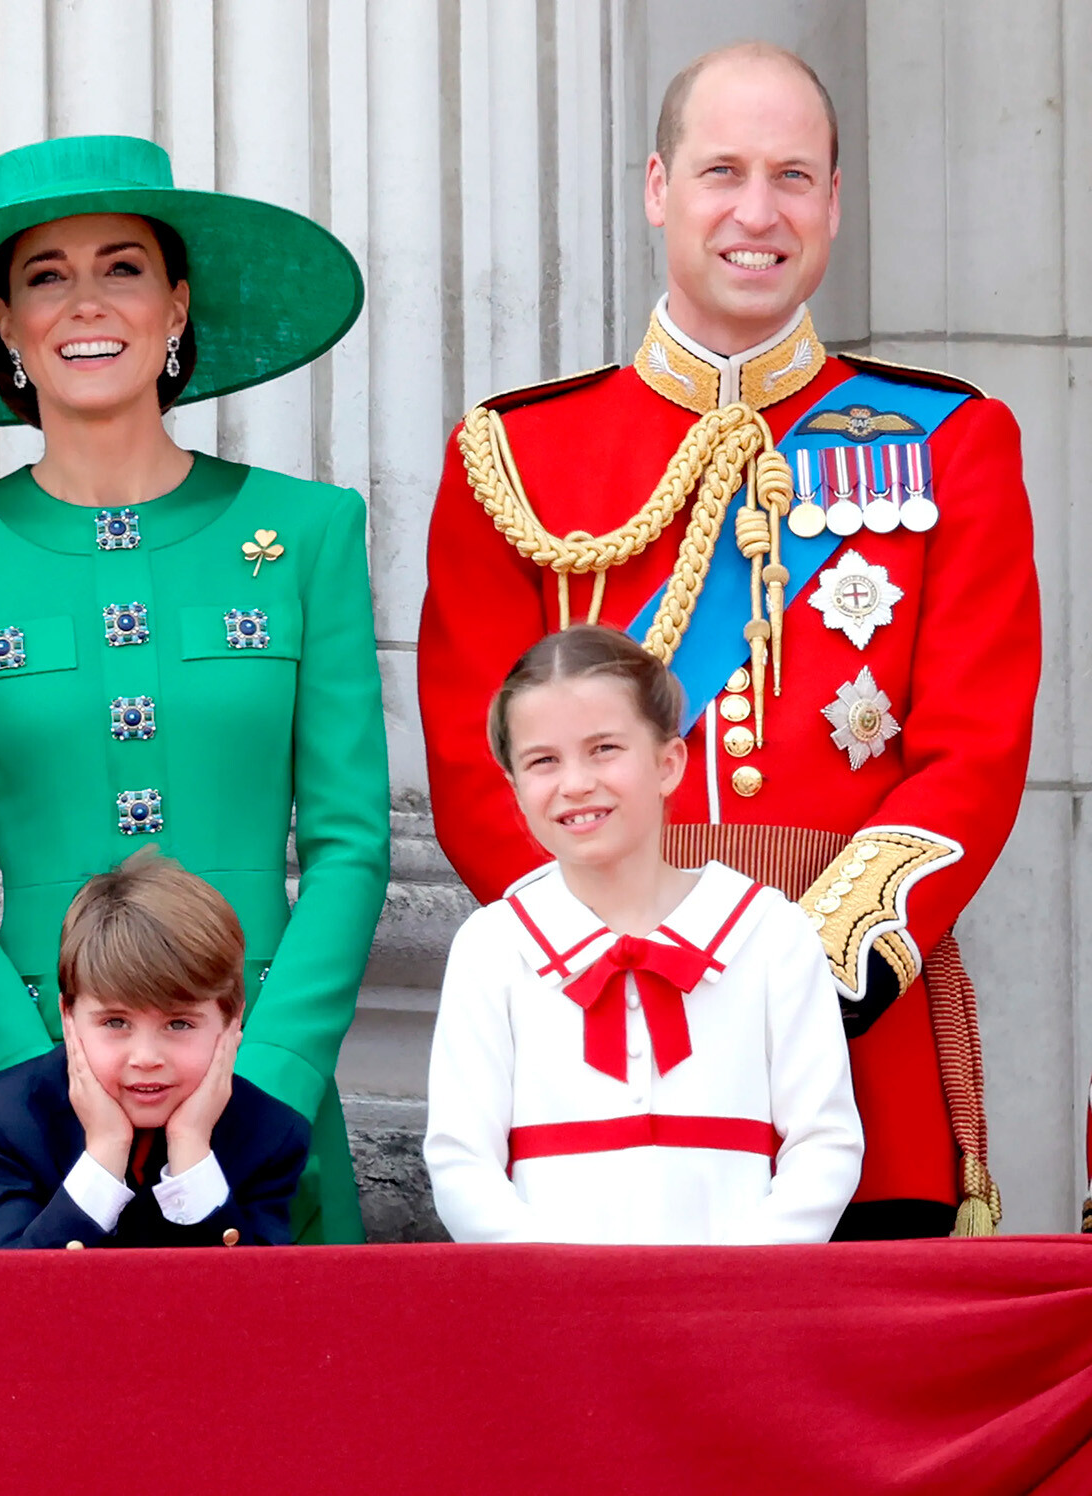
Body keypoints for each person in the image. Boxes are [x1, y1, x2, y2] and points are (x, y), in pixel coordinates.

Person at [418, 43, 1039, 1239]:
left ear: (834, 203)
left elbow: (972, 759)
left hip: (860, 1041)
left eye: (793, 176)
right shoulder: (512, 458)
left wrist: (793, 977)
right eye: (721, 172)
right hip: (592, 1048)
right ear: (657, 188)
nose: (757, 212)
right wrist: (622, 964)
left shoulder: (951, 440)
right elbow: (476, 768)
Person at [0, 134, 390, 1244]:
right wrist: (35, 1085)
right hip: (41, 1087)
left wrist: (267, 1069)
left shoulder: (312, 531)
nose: (88, 300)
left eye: (122, 265)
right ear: (6, 322)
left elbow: (349, 839)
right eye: (47, 274)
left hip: (258, 1067)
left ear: (177, 304)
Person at [424, 627, 861, 1244]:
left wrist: (739, 1281)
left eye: (604, 748)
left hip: (740, 1310)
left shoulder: (770, 932)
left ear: (667, 763)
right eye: (543, 760)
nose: (575, 782)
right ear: (514, 787)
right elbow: (460, 1158)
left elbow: (825, 1142)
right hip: (556, 1315)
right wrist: (553, 1282)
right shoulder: (493, 946)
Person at [0, 853, 310, 1249]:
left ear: (231, 1022)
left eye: (179, 1024)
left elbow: (257, 1301)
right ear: (68, 1016)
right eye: (115, 1023)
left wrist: (191, 1148)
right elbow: (10, 1297)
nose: (145, 1057)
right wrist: (105, 1152)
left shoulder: (270, 1135)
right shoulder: (5, 1121)